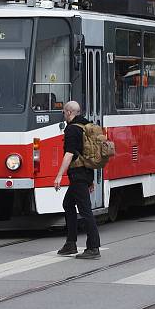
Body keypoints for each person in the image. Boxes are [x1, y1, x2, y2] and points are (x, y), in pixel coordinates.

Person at [53, 101, 101, 260]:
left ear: (68, 112)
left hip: (78, 175)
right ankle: (71, 243)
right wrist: (91, 179)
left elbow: (69, 154)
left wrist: (59, 175)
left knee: (86, 210)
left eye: (64, 113)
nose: (64, 116)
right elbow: (90, 153)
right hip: (84, 174)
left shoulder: (72, 129)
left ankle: (93, 247)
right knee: (68, 204)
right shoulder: (86, 124)